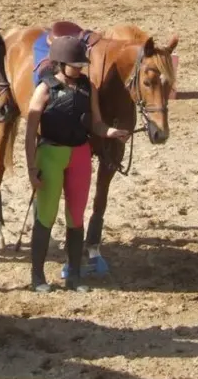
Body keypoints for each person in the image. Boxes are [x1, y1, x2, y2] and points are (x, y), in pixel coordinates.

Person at [25, 36, 129, 293]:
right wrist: (31, 169)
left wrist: (111, 132)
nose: (80, 68)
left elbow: (96, 123)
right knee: (46, 215)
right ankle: (37, 277)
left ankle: (75, 275)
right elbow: (29, 133)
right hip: (50, 154)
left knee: (76, 216)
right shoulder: (44, 89)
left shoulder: (87, 87)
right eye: (75, 64)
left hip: (80, 155)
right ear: (61, 63)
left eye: (82, 64)